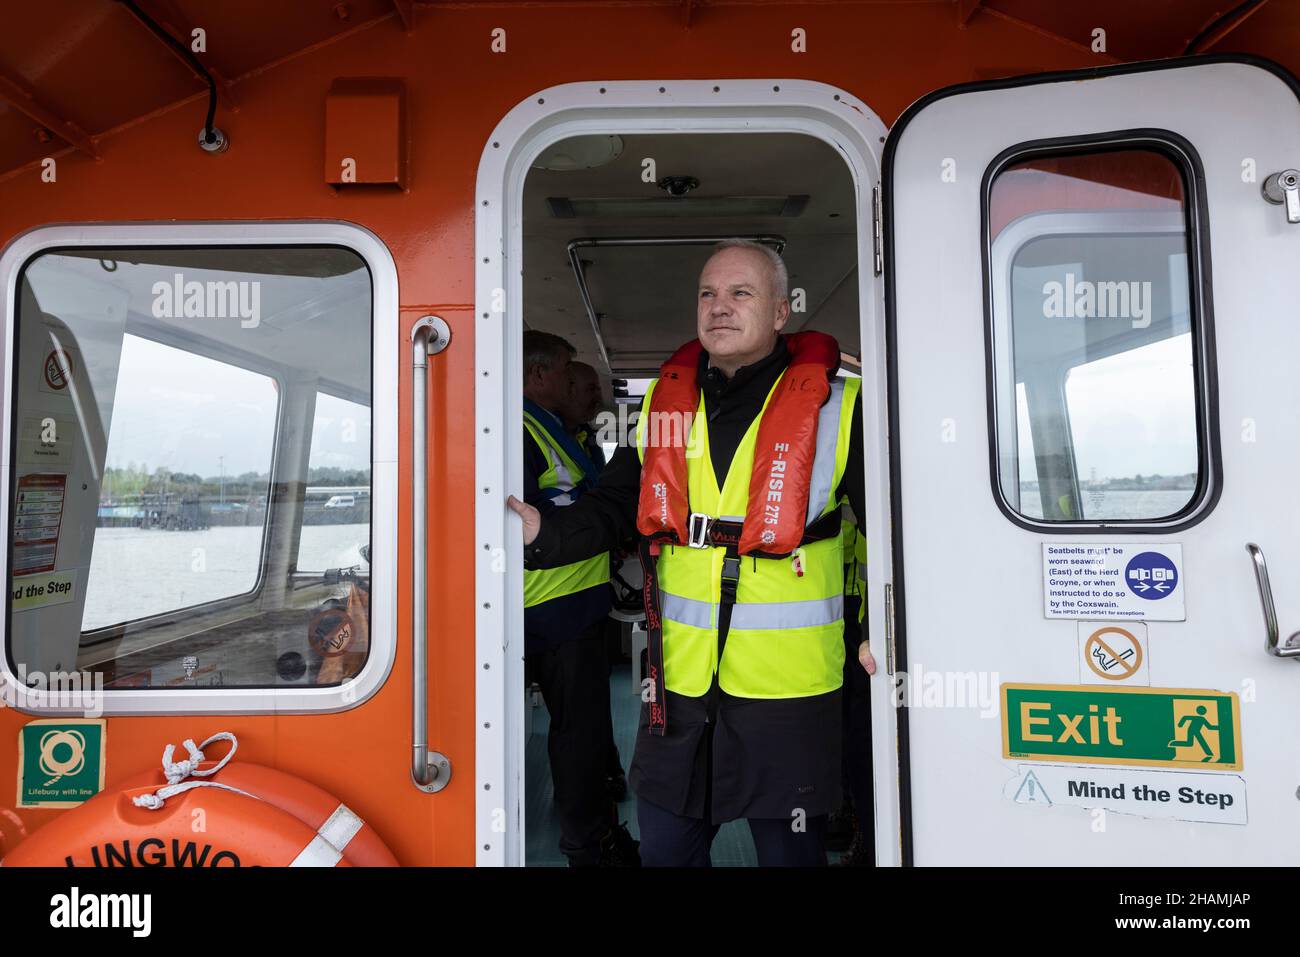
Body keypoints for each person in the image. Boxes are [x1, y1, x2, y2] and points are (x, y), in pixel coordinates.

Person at [509, 240, 875, 867]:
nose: (719, 307)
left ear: (782, 311)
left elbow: (900, 535)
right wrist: (543, 532)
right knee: (666, 852)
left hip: (789, 693)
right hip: (677, 688)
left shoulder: (842, 408)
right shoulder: (662, 405)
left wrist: (883, 632)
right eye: (708, 294)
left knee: (791, 858)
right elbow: (618, 503)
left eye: (741, 293)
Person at [520, 330, 639, 866]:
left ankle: (592, 827)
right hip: (551, 610)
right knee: (576, 736)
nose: (575, 384)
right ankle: (590, 847)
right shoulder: (517, 433)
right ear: (540, 374)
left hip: (574, 606)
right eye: (568, 372)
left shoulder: (556, 432)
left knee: (582, 732)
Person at [556, 358, 628, 803]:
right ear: (544, 378)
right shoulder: (526, 432)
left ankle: (606, 774)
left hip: (585, 596)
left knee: (589, 708)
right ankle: (587, 832)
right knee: (575, 718)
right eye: (584, 388)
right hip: (553, 604)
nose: (595, 399)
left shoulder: (578, 438)